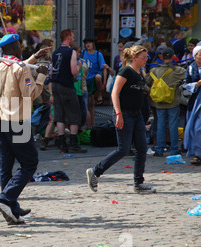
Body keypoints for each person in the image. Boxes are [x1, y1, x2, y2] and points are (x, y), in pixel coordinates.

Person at [0, 34, 50, 225]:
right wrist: (41, 75)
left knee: (5, 166)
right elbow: (31, 94)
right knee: (29, 163)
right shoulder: (21, 68)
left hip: (1, 120)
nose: (19, 47)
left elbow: (15, 67)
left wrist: (34, 58)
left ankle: (11, 210)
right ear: (14, 47)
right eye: (18, 44)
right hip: (18, 120)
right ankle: (5, 198)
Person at [86, 45, 156, 194]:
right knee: (123, 149)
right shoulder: (126, 71)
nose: (146, 60)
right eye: (143, 57)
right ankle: (95, 171)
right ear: (134, 58)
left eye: (146, 57)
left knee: (142, 148)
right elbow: (114, 93)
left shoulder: (139, 72)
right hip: (124, 113)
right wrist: (118, 114)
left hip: (137, 115)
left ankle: (138, 183)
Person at [145, 47, 186, 157]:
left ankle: (159, 149)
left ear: (161, 56)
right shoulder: (177, 70)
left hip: (159, 102)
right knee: (173, 125)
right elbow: (185, 76)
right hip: (173, 101)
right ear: (173, 56)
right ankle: (174, 149)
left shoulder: (154, 70)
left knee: (160, 125)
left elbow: (146, 82)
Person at [51, 30, 87, 153]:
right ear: (67, 37)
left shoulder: (55, 52)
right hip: (66, 85)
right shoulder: (71, 51)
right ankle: (73, 143)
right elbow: (73, 71)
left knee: (59, 114)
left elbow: (51, 72)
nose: (73, 38)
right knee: (74, 113)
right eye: (72, 36)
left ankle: (62, 143)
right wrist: (79, 66)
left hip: (55, 85)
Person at [184, 46, 201, 166]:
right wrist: (197, 84)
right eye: (199, 54)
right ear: (195, 56)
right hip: (195, 102)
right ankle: (197, 153)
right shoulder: (190, 68)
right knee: (195, 128)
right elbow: (186, 85)